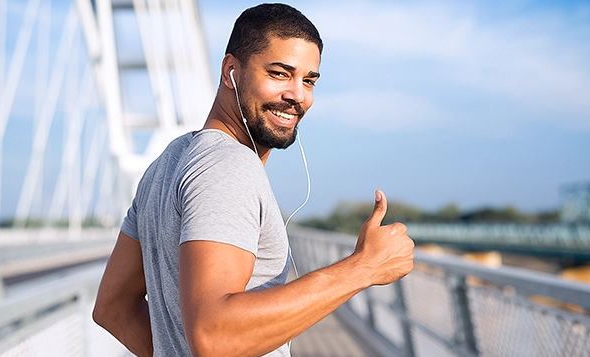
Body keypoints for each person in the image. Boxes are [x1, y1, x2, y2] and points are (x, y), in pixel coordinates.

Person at [92, 3, 414, 357]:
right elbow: (214, 336)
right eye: (279, 74)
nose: (298, 95)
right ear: (231, 71)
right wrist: (362, 268)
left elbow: (113, 307)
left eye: (308, 80)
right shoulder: (228, 167)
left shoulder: (167, 162)